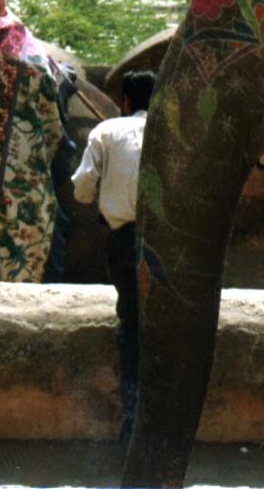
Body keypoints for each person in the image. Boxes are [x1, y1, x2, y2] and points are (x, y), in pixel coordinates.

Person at [72, 69, 156, 440]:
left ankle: (132, 416)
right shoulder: (172, 131)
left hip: (124, 242)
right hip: (167, 244)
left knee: (132, 324)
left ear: (124, 101)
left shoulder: (105, 132)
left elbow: (81, 190)